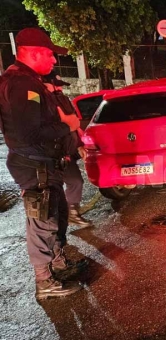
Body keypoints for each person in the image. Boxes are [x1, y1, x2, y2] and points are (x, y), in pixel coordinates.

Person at [0, 28, 85, 299]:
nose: (53, 60)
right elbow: (30, 133)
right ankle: (44, 281)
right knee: (43, 223)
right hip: (34, 165)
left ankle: (58, 264)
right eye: (50, 54)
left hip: (46, 164)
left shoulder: (30, 80)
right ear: (34, 53)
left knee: (57, 218)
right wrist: (67, 125)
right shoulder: (22, 84)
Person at [42, 71, 93, 227]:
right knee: (69, 183)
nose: (60, 89)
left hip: (66, 150)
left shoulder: (61, 100)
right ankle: (65, 216)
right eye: (56, 86)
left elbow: (74, 125)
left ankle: (70, 212)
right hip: (52, 155)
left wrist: (80, 145)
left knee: (75, 181)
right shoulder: (42, 103)